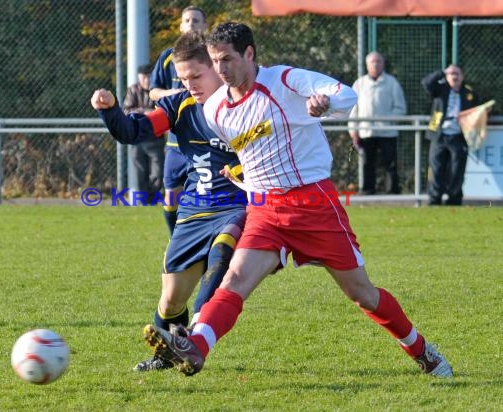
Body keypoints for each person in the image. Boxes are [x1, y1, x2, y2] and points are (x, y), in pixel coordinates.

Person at [142, 22, 453, 379]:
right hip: (264, 210)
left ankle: (420, 349)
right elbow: (251, 153)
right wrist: (240, 177)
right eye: (214, 61)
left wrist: (325, 104)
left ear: (249, 53)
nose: (221, 69)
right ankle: (196, 346)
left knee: (362, 294)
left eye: (227, 58)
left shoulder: (284, 80)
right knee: (235, 279)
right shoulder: (215, 110)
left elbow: (346, 95)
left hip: (313, 206)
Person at [91, 31, 246, 372]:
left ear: (217, 69)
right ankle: (167, 353)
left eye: (196, 76)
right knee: (172, 298)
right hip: (194, 211)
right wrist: (111, 110)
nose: (189, 84)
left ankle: (193, 339)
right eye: (183, 78)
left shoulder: (246, 105)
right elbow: (133, 131)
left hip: (238, 206)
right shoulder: (179, 107)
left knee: (221, 256)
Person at [149, 5, 208, 234]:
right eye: (187, 20)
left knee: (212, 194)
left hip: (208, 139)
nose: (191, 24)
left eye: (196, 20)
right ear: (181, 26)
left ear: (205, 26)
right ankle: (176, 240)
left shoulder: (212, 56)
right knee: (171, 196)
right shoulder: (167, 57)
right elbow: (153, 92)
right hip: (175, 143)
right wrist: (172, 95)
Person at [348, 52, 406, 195]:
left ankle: (392, 191)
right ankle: (368, 190)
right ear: (367, 65)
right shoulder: (359, 84)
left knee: (390, 163)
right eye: (372, 62)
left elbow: (400, 108)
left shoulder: (392, 82)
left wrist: (387, 120)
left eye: (378, 61)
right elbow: (353, 109)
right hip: (366, 131)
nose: (375, 64)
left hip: (387, 132)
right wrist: (353, 130)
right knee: (367, 162)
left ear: (383, 64)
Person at [422, 65, 479, 206]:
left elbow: (477, 111)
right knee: (436, 169)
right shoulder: (440, 90)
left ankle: (454, 199)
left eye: (457, 73)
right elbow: (426, 83)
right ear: (446, 76)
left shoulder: (469, 93)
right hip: (439, 135)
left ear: (462, 76)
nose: (454, 76)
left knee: (457, 169)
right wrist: (441, 72)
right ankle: (435, 199)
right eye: (451, 73)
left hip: (459, 136)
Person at [122, 64, 165, 204]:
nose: (147, 79)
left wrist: (151, 113)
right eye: (144, 77)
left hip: (155, 138)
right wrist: (143, 112)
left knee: (157, 173)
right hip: (138, 138)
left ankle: (152, 198)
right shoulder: (133, 90)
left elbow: (164, 110)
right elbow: (126, 110)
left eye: (149, 76)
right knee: (140, 172)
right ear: (139, 77)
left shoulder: (158, 90)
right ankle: (145, 202)